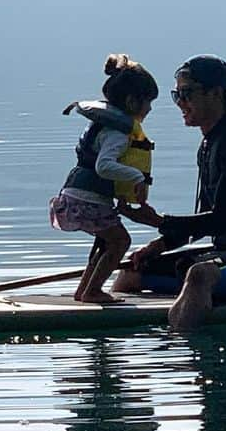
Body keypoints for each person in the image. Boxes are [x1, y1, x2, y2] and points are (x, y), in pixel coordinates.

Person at [114, 55, 226, 329]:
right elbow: (202, 222)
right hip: (223, 257)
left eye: (187, 93)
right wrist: (159, 245)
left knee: (199, 275)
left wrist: (160, 221)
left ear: (217, 94)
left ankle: (187, 353)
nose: (180, 103)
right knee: (132, 272)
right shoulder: (210, 144)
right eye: (177, 95)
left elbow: (223, 219)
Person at [49, 53, 159, 303]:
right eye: (148, 102)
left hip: (81, 194)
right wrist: (136, 178)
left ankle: (85, 290)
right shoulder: (118, 132)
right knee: (121, 241)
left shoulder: (108, 124)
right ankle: (92, 291)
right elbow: (104, 166)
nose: (150, 109)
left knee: (104, 241)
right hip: (86, 198)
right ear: (132, 101)